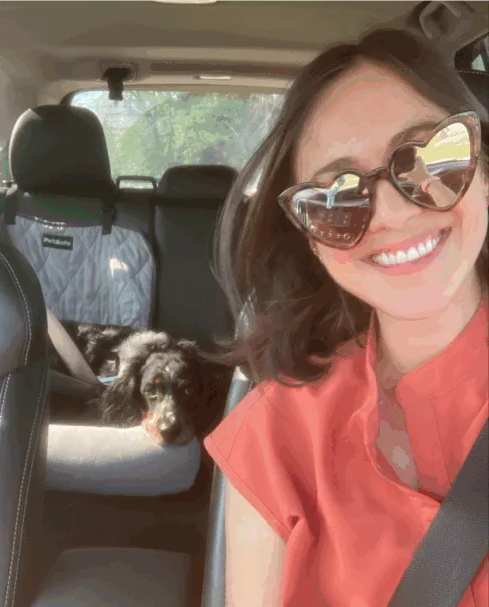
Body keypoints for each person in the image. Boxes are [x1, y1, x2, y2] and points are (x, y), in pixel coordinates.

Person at [206, 28, 488, 606]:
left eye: (431, 157)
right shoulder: (277, 433)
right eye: (337, 197)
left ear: (481, 164)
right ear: (310, 239)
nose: (390, 212)